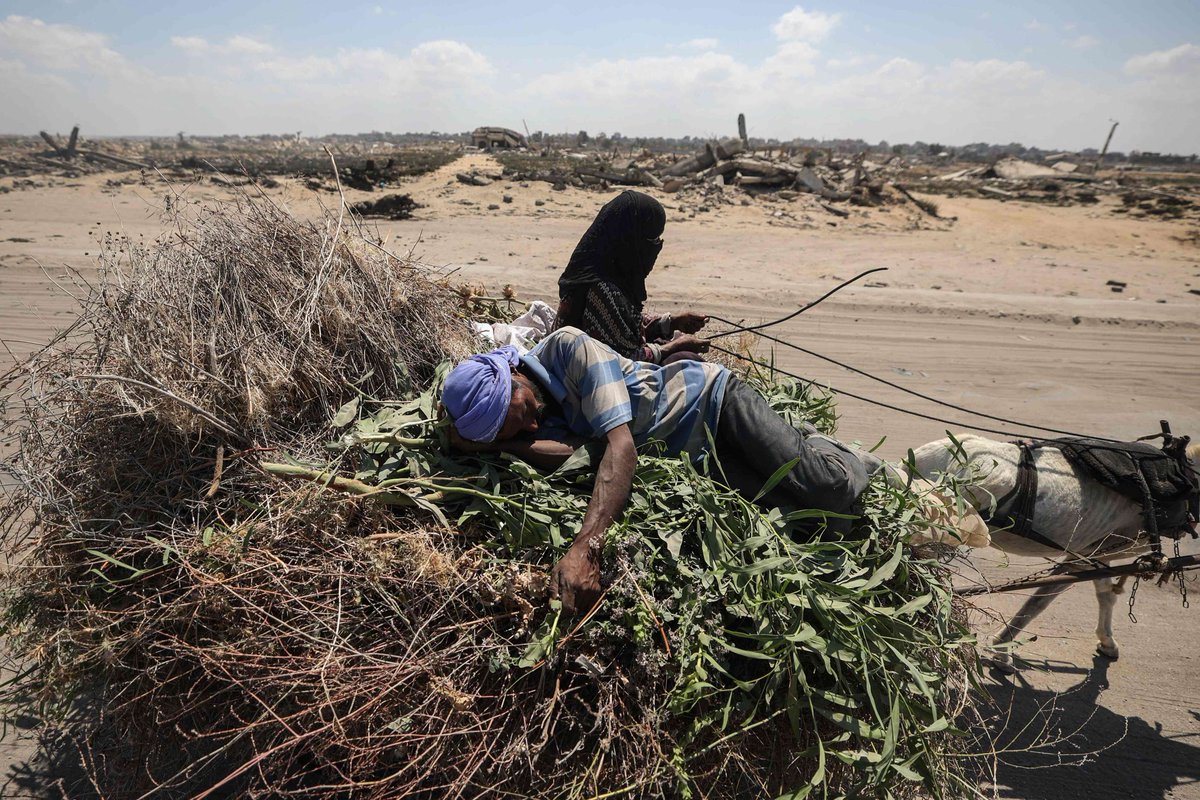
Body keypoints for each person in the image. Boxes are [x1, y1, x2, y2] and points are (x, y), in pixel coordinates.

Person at [441, 327, 878, 615]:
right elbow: (577, 451)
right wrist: (506, 442)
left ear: (512, 375)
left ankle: (828, 447)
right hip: (696, 457)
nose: (534, 427)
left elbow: (620, 448)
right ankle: (795, 449)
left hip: (713, 402)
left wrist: (585, 548)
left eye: (524, 415)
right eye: (521, 429)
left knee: (829, 491)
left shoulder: (569, 348)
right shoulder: (530, 410)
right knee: (819, 523)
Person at [556, 190, 710, 365]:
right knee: (686, 359)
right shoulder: (602, 289)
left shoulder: (605, 271)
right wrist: (674, 347)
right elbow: (622, 360)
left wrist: (671, 323)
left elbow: (624, 323)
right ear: (631, 241)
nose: (656, 247)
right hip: (583, 375)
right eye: (652, 240)